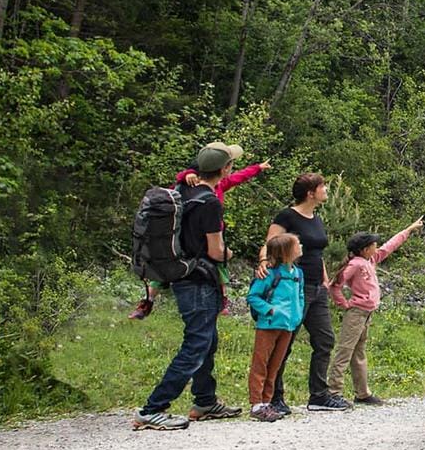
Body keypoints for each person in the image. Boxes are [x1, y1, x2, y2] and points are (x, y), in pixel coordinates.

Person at [132, 143, 244, 430]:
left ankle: (205, 400)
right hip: (198, 280)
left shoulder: (182, 191)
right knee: (196, 344)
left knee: (208, 340)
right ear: (225, 169)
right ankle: (153, 408)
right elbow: (216, 250)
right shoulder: (210, 201)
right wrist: (229, 254)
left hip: (182, 275)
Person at [130, 148, 271, 320]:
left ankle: (222, 301)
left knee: (220, 269)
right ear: (222, 168)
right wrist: (187, 174)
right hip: (194, 237)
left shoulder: (219, 185)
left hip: (213, 234)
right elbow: (179, 182)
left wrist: (257, 168)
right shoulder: (192, 186)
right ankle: (148, 300)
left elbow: (238, 177)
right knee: (213, 260)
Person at [257, 172, 350, 413]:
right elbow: (270, 243)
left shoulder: (316, 219)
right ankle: (274, 396)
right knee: (284, 343)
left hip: (316, 287)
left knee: (325, 339)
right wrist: (264, 263)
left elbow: (315, 252)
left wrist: (325, 279)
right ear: (310, 193)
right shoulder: (287, 216)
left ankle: (318, 395)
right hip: (292, 287)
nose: (326, 190)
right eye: (323, 187)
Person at [326, 217, 423, 405]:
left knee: (359, 352)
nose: (376, 246)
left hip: (366, 314)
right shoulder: (355, 264)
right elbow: (335, 285)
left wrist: (408, 229)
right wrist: (344, 304)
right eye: (373, 244)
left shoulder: (371, 260)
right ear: (364, 249)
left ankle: (362, 393)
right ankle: (333, 391)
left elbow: (390, 246)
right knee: (345, 350)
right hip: (356, 313)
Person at [245, 232, 305, 422]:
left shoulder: (297, 273)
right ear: (286, 252)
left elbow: (301, 295)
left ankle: (267, 402)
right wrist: (269, 310)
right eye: (297, 244)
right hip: (269, 325)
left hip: (289, 325)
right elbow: (253, 296)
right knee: (261, 363)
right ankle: (256, 404)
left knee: (275, 365)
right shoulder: (269, 273)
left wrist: (298, 314)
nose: (301, 247)